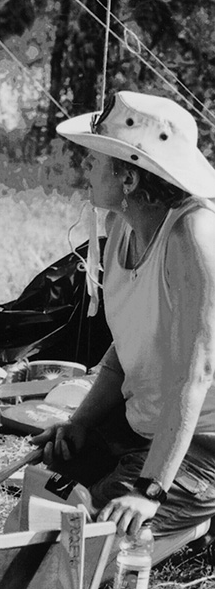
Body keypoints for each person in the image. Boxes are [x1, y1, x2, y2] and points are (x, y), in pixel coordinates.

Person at [31, 90, 215, 562]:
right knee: (53, 482)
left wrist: (150, 490)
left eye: (95, 161)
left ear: (128, 176)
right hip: (147, 425)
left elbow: (194, 376)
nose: (85, 172)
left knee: (81, 558)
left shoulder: (193, 237)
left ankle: (194, 519)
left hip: (205, 442)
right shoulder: (122, 231)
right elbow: (124, 352)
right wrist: (80, 423)